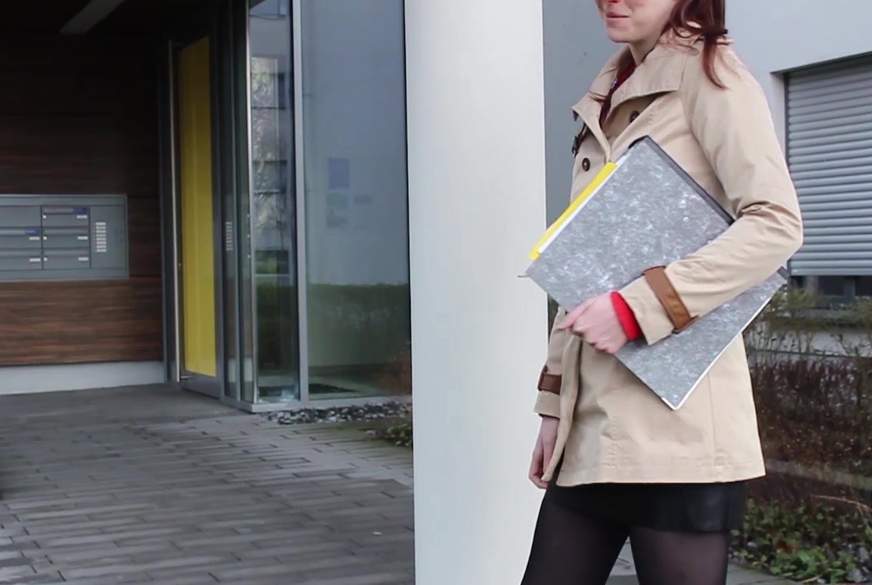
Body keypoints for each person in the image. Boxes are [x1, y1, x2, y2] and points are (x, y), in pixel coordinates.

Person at [521, 0, 804, 584]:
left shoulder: (712, 77)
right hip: (592, 426)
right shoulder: (606, 93)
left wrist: (636, 308)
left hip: (679, 431)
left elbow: (776, 225)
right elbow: (586, 265)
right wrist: (553, 406)